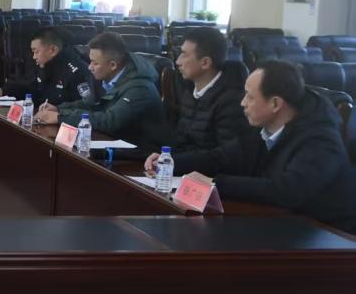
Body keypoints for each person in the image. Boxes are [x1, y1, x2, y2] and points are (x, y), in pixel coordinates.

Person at [162, 61, 356, 232]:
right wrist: (170, 162)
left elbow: (287, 191)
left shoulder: (320, 139)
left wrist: (214, 184)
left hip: (328, 236)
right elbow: (220, 158)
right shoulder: (263, 128)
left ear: (275, 104)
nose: (242, 103)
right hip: (280, 223)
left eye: (250, 97)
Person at [35, 31, 170, 153]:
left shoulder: (140, 88)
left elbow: (109, 121)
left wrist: (60, 117)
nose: (89, 67)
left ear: (113, 65)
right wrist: (58, 109)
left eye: (95, 63)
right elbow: (89, 103)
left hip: (143, 152)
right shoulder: (105, 77)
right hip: (113, 142)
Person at [143, 27, 252, 175]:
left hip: (211, 179)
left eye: (184, 55)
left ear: (205, 63)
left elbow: (226, 158)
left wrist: (175, 163)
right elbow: (182, 142)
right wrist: (163, 157)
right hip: (186, 172)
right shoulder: (189, 89)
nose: (178, 61)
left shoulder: (232, 101)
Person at [6, 26, 93, 105]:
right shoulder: (46, 64)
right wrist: (4, 91)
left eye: (36, 52)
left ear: (53, 50)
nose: (34, 57)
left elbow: (85, 108)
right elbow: (33, 89)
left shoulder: (77, 72)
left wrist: (58, 112)